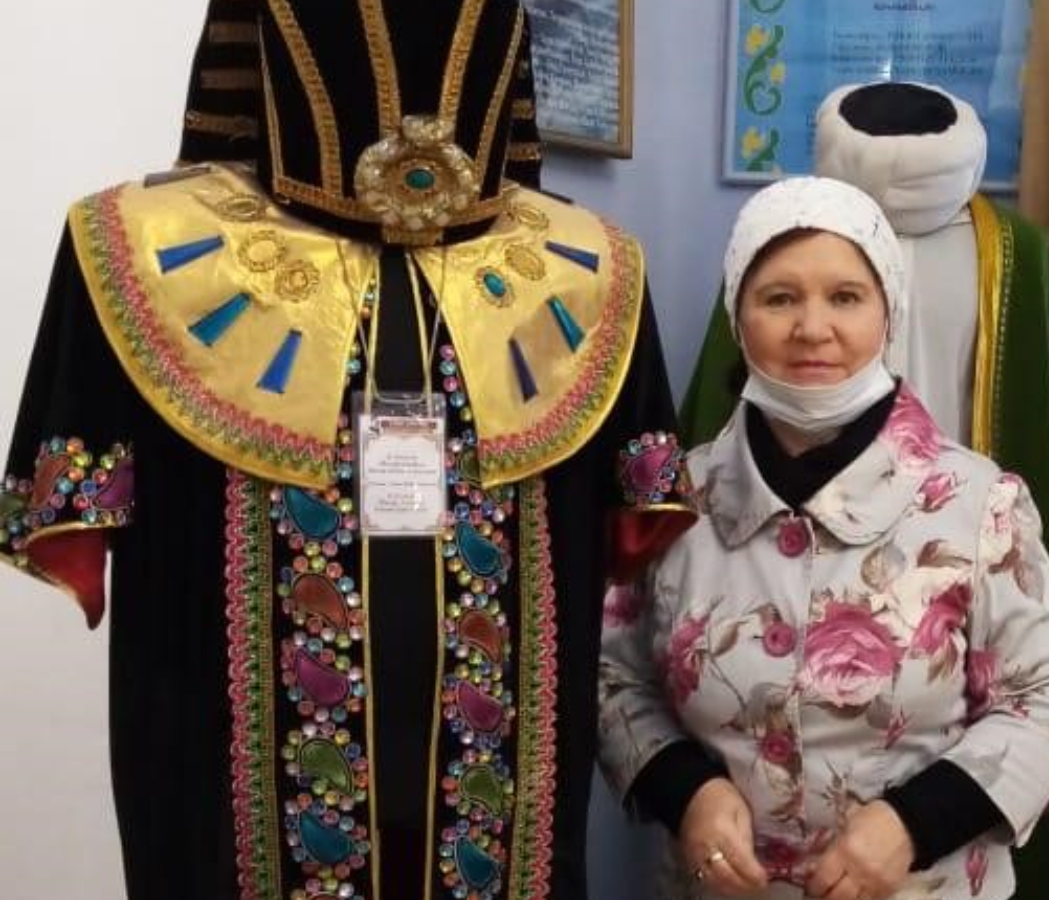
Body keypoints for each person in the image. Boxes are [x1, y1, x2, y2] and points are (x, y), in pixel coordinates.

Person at [0, 3, 688, 899]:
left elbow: (633, 521)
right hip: (231, 796)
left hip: (498, 798)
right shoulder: (139, 250)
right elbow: (70, 508)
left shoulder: (590, 270)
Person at [598, 176, 1049, 900]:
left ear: (888, 311)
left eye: (846, 297)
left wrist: (915, 822)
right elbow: (611, 672)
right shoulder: (677, 500)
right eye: (779, 298)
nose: (812, 328)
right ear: (738, 315)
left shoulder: (975, 502)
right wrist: (686, 791)